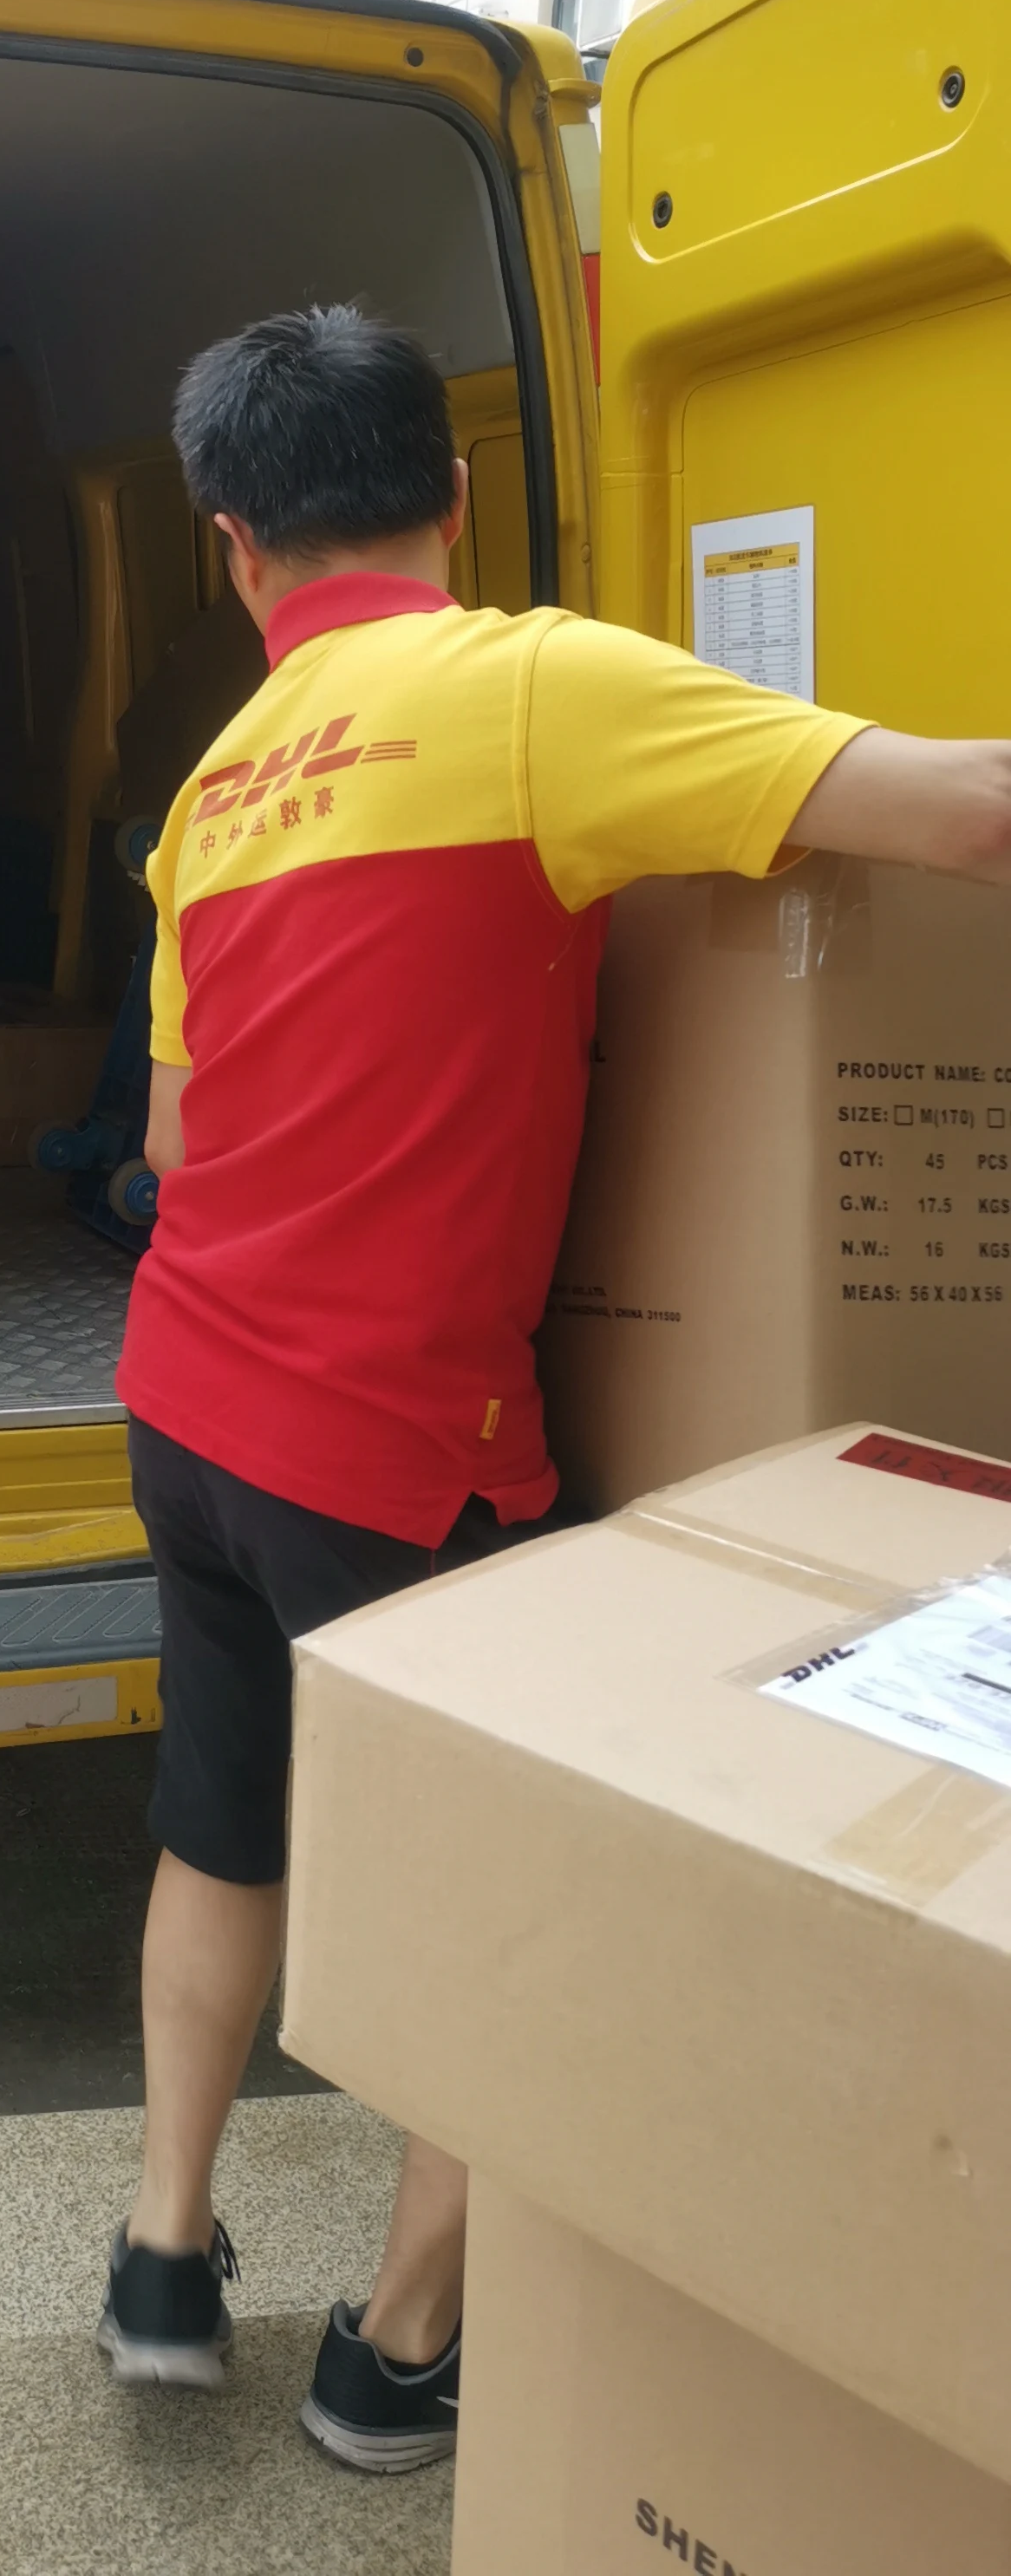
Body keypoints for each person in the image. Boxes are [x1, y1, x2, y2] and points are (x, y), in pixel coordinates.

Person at [95, 302, 1011, 2469]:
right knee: (509, 1907)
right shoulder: (528, 688)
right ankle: (395, 2355)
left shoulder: (213, 794)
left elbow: (173, 1146)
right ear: (455, 492)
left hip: (186, 1403)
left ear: (232, 544)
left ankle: (161, 2256)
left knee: (222, 1821)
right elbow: (967, 817)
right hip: (384, 1439)